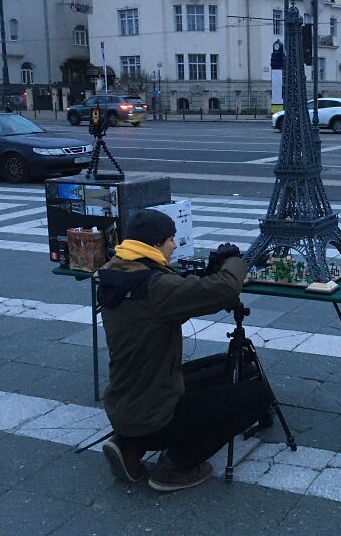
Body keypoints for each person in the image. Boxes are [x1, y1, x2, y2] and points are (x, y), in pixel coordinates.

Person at [97, 209, 272, 492]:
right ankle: (176, 465)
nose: (175, 245)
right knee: (257, 395)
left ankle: (129, 444)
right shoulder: (155, 286)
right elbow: (225, 291)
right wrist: (235, 262)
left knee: (217, 367)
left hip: (124, 400)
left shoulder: (116, 272)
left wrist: (205, 276)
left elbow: (168, 304)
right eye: (170, 239)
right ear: (154, 244)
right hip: (154, 415)